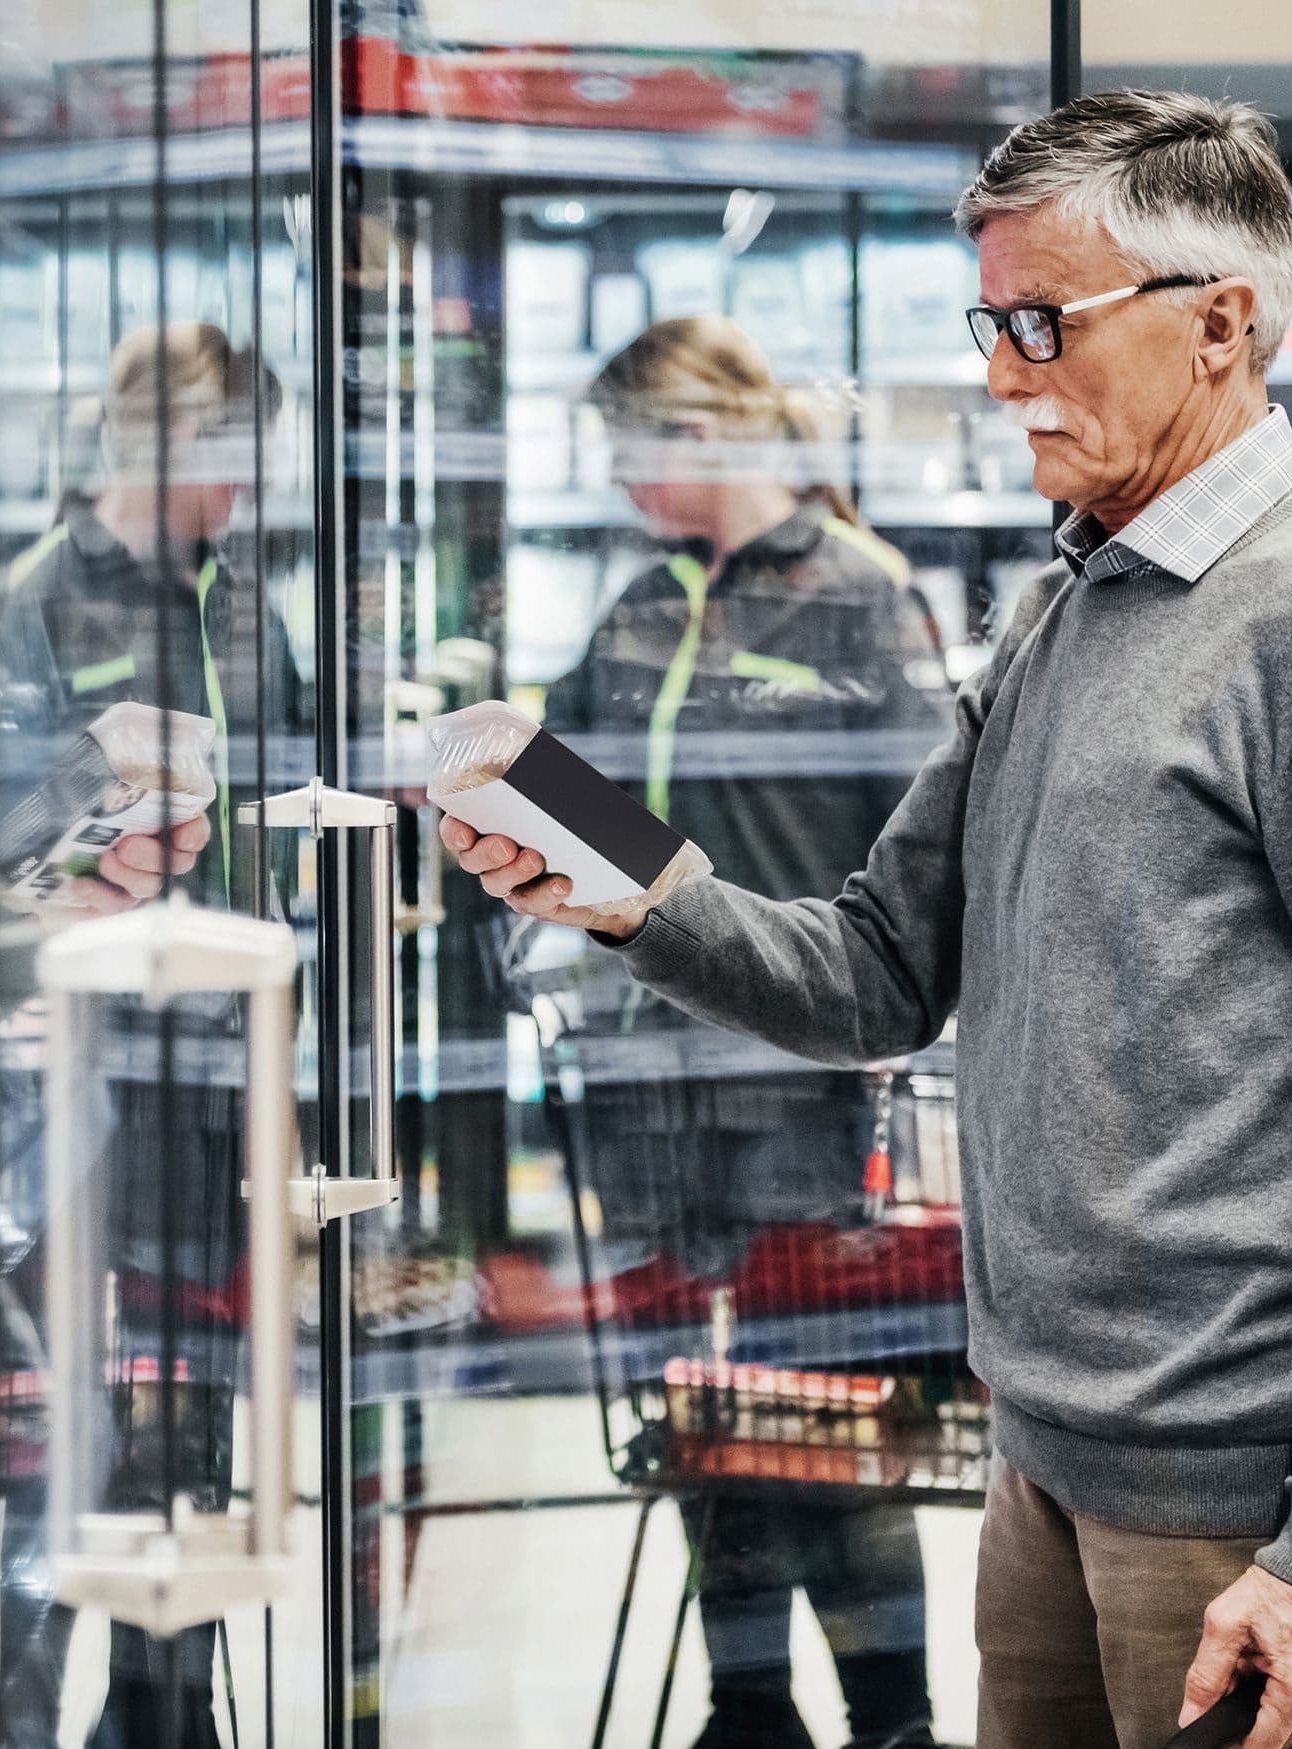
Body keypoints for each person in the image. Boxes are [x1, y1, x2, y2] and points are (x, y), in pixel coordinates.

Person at [442, 92, 1292, 1749]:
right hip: (1045, 1461)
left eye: (1039, 323)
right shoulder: (1063, 604)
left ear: (1219, 324)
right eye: (986, 322)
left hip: (1246, 1506)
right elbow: (880, 967)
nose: (1001, 371)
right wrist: (616, 886)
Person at [521, 316, 949, 1749]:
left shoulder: (862, 599)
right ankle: (746, 1704)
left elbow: (916, 848)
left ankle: (890, 1713)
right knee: (698, 1413)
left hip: (800, 1084)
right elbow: (573, 786)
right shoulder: (636, 607)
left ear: (701, 434)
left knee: (821, 1411)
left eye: (631, 451)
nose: (621, 484)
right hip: (646, 1083)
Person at [0, 319, 296, 1749]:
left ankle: (166, 1713)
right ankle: (21, 1709)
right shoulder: (32, 597)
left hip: (222, 1072)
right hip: (73, 1078)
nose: (252, 487)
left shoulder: (250, 601)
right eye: (236, 455)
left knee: (193, 1409)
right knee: (66, 1419)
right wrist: (72, 862)